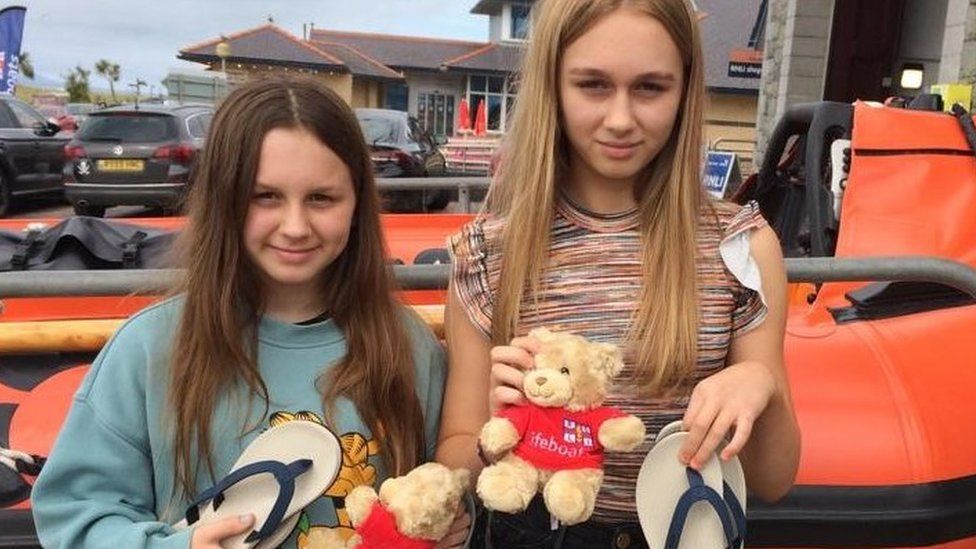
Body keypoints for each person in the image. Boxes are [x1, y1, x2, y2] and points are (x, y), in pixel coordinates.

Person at [436, 0, 801, 547]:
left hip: (689, 526)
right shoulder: (489, 253)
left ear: (685, 91)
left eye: (651, 87)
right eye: (593, 85)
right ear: (552, 88)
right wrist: (496, 433)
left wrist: (761, 385)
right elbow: (456, 455)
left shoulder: (741, 246)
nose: (621, 119)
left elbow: (775, 479)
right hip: (537, 531)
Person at [31, 75, 453, 548]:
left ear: (358, 204)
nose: (295, 226)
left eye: (321, 198)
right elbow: (78, 517)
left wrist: (456, 521)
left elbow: (440, 498)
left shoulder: (409, 347)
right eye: (265, 196)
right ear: (223, 199)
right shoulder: (148, 349)